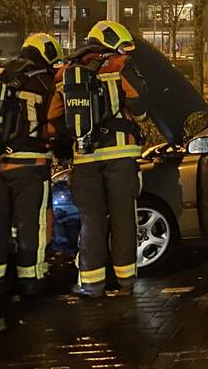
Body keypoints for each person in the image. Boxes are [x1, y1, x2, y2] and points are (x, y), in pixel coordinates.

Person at [47, 20, 149, 298]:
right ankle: (125, 281)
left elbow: (54, 120)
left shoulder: (66, 72)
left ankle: (91, 284)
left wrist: (74, 142)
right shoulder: (120, 64)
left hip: (84, 156)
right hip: (120, 156)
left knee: (91, 219)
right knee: (123, 217)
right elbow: (140, 105)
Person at [0, 33, 63, 337]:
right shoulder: (42, 81)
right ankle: (32, 280)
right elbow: (53, 122)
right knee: (31, 225)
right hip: (28, 165)